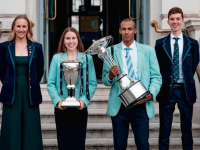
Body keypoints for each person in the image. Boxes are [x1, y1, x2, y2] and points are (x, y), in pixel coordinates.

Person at [102, 18, 162, 150]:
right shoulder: (110, 51)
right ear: (119, 31)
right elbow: (105, 80)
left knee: (142, 145)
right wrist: (111, 75)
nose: (126, 32)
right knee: (119, 146)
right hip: (120, 106)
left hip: (141, 104)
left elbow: (157, 77)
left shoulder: (148, 51)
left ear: (135, 30)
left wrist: (151, 94)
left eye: (129, 29)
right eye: (123, 29)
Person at [155, 7, 199, 150]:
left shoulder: (192, 44)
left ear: (182, 21)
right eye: (172, 19)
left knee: (186, 131)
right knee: (164, 131)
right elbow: (158, 67)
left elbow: (193, 65)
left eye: (178, 19)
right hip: (167, 91)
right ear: (168, 21)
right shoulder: (160, 44)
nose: (175, 22)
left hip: (185, 91)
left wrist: (185, 80)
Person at [47, 27, 97, 150]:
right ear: (63, 41)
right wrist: (58, 100)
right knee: (63, 143)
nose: (71, 41)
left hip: (80, 106)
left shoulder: (87, 58)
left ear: (78, 40)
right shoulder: (56, 58)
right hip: (62, 107)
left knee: (78, 143)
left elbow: (92, 83)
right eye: (68, 38)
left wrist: (84, 100)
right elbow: (51, 83)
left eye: (73, 38)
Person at [0, 15, 44, 150]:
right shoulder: (4, 47)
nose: (21, 29)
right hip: (11, 93)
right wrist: (10, 82)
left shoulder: (36, 47)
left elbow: (39, 71)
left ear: (28, 28)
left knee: (31, 129)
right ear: (13, 27)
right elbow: (2, 71)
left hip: (31, 92)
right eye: (18, 26)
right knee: (11, 128)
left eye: (24, 26)